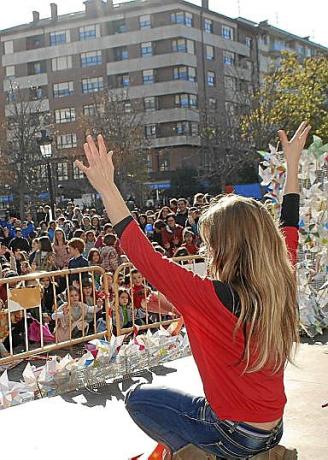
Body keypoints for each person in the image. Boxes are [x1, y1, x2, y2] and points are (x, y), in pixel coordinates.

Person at [75, 123, 310, 459]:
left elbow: (144, 256)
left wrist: (107, 187)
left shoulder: (210, 297)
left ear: (227, 248)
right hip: (272, 429)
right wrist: (293, 165)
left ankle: (206, 454)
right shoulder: (280, 282)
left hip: (235, 436)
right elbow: (289, 224)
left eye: (211, 244)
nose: (207, 251)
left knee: (139, 399)